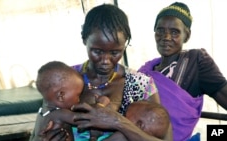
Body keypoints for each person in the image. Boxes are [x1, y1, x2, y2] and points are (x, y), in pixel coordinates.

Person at [38, 3, 173, 141]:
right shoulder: (63, 79)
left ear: (125, 44)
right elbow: (39, 130)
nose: (105, 61)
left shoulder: (141, 85)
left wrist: (118, 122)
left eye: (115, 52)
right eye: (97, 51)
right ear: (84, 39)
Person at [138, 2, 227, 141]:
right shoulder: (145, 71)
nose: (166, 37)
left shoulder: (196, 63)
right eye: (160, 30)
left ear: (187, 35)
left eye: (174, 32)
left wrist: (217, 134)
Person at [30, 61, 84, 141]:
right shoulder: (60, 113)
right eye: (78, 95)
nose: (79, 100)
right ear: (61, 96)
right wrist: (100, 105)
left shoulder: (42, 112)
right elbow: (86, 120)